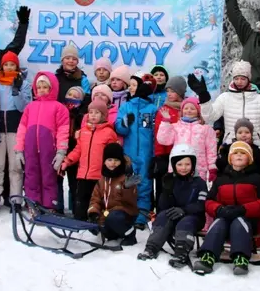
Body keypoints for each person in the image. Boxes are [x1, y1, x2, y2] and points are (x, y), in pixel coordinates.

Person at [194, 141, 260, 276]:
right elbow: (209, 201)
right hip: (225, 217)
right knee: (219, 222)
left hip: (248, 221)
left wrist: (243, 209)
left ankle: (240, 258)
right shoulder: (220, 180)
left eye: (243, 153)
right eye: (235, 153)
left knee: (238, 221)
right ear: (230, 158)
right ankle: (208, 256)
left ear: (250, 158)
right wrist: (219, 209)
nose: (239, 155)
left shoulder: (257, 179)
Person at [137, 145, 207, 264]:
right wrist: (167, 192)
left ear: (193, 164)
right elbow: (163, 207)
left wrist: (184, 210)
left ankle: (181, 253)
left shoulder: (200, 183)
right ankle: (151, 248)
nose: (183, 168)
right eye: (179, 164)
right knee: (163, 216)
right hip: (174, 213)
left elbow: (201, 205)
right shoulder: (170, 179)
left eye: (187, 164)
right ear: (174, 165)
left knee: (186, 221)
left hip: (194, 217)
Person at [15, 71, 70, 209]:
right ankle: (33, 204)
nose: (41, 90)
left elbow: (63, 131)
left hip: (49, 150)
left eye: (45, 87)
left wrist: (61, 152)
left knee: (48, 178)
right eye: (39, 87)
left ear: (52, 88)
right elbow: (22, 129)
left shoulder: (59, 108)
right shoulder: (30, 107)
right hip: (30, 149)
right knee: (31, 176)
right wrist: (18, 150)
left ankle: (49, 205)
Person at [61, 99, 120, 220]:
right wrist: (67, 161)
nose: (93, 115)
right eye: (91, 112)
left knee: (97, 201)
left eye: (97, 113)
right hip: (83, 175)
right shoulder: (83, 132)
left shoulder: (109, 133)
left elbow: (112, 154)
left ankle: (97, 221)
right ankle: (79, 221)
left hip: (99, 176)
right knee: (81, 199)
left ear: (103, 115)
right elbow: (78, 150)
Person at [193, 60, 260, 148]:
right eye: (236, 78)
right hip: (231, 145)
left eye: (243, 79)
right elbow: (210, 116)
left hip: (256, 146)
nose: (239, 82)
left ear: (248, 79)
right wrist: (203, 96)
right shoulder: (225, 97)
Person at [0, 51, 30, 213]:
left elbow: (25, 108)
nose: (9, 67)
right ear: (2, 66)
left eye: (12, 64)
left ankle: (16, 200)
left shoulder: (23, 83)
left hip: (16, 129)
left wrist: (16, 91)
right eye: (6, 64)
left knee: (15, 166)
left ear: (17, 66)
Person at [115, 72, 159, 226]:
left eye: (135, 85)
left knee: (145, 183)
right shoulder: (126, 107)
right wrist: (125, 123)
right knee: (129, 182)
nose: (132, 89)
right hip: (130, 152)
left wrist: (154, 154)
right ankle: (127, 211)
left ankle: (142, 214)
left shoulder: (153, 109)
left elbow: (155, 132)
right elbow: (120, 129)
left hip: (146, 153)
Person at [87, 143, 139, 245]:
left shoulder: (127, 178)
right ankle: (111, 233)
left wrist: (127, 187)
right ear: (104, 162)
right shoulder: (102, 181)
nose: (113, 163)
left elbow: (131, 201)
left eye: (116, 160)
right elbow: (95, 199)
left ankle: (130, 235)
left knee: (113, 217)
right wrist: (94, 213)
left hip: (124, 215)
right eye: (109, 160)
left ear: (121, 162)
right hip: (107, 215)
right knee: (92, 223)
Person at [156, 97, 217, 183]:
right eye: (186, 108)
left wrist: (212, 167)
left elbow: (211, 150)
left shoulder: (206, 129)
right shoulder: (175, 127)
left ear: (198, 112)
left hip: (199, 169)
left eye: (192, 108)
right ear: (181, 111)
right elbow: (163, 140)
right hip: (178, 168)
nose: (189, 111)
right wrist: (166, 122)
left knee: (196, 193)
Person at [151, 75, 185, 198]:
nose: (169, 94)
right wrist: (159, 155)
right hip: (165, 155)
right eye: (168, 91)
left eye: (173, 91)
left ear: (180, 92)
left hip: (182, 154)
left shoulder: (186, 108)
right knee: (164, 186)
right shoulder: (163, 109)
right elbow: (158, 133)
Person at [59, 86, 86, 213]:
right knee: (57, 181)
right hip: (59, 150)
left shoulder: (82, 114)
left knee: (74, 184)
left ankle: (76, 210)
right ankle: (57, 208)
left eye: (76, 97)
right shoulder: (60, 110)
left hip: (75, 153)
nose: (72, 98)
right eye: (70, 94)